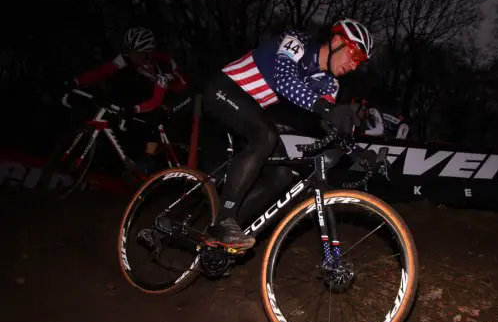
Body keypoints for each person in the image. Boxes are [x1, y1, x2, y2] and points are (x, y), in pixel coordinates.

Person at [200, 18, 373, 250]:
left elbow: (329, 123)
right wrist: (327, 109)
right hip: (224, 90)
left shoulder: (329, 85)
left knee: (282, 175)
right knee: (266, 136)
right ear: (337, 41)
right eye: (354, 55)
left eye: (359, 62)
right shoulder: (296, 43)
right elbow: (285, 81)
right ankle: (223, 222)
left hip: (251, 109)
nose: (354, 66)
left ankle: (221, 235)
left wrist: (358, 152)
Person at [68, 27, 190, 174]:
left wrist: (135, 109)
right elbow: (102, 71)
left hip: (183, 94)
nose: (132, 56)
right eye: (130, 51)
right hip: (162, 89)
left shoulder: (162, 66)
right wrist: (77, 82)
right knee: (128, 103)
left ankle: (148, 161)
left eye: (136, 53)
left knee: (156, 114)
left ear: (147, 52)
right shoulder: (127, 58)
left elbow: (156, 100)